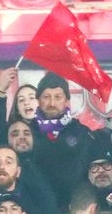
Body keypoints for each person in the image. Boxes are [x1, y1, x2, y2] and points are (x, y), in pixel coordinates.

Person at [30, 73, 94, 208]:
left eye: (58, 97)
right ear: (38, 99)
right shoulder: (26, 132)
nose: (52, 103)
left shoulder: (81, 132)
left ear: (66, 100)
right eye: (46, 97)